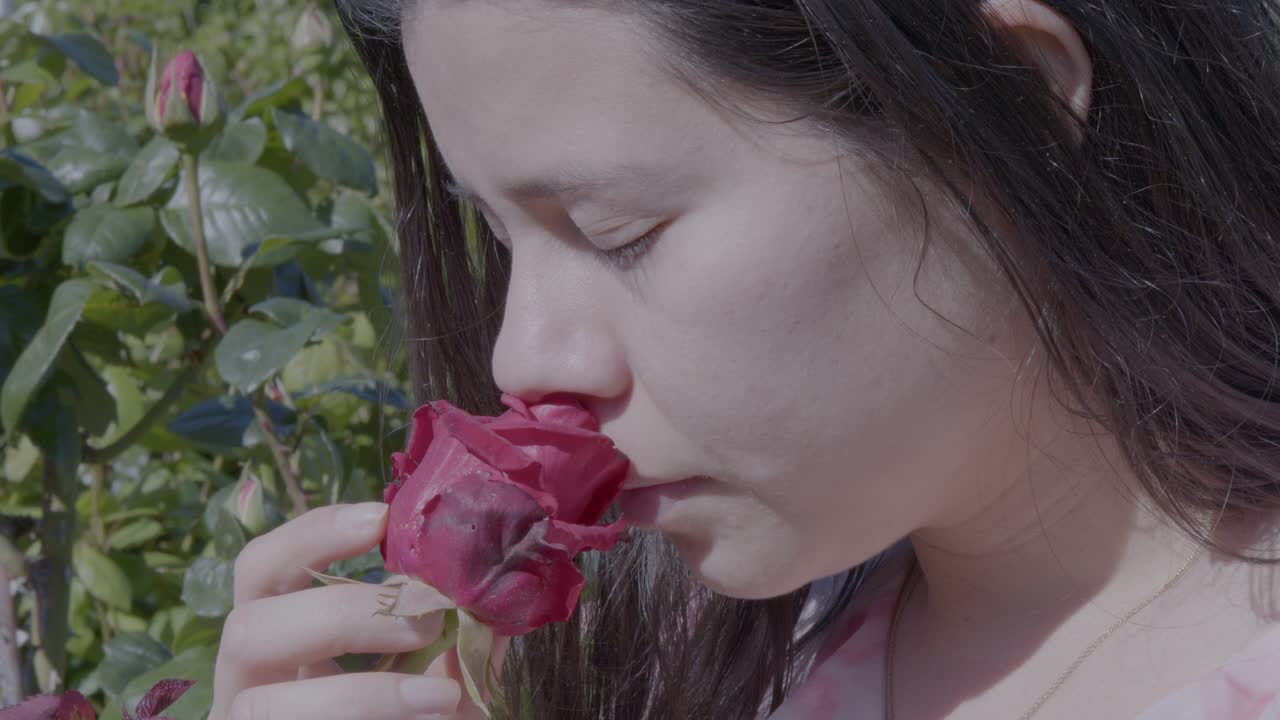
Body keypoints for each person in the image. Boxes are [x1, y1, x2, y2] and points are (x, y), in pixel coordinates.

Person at [206, 0, 1280, 717]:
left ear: (1014, 93)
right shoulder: (692, 657)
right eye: (495, 235)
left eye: (615, 229)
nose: (519, 356)